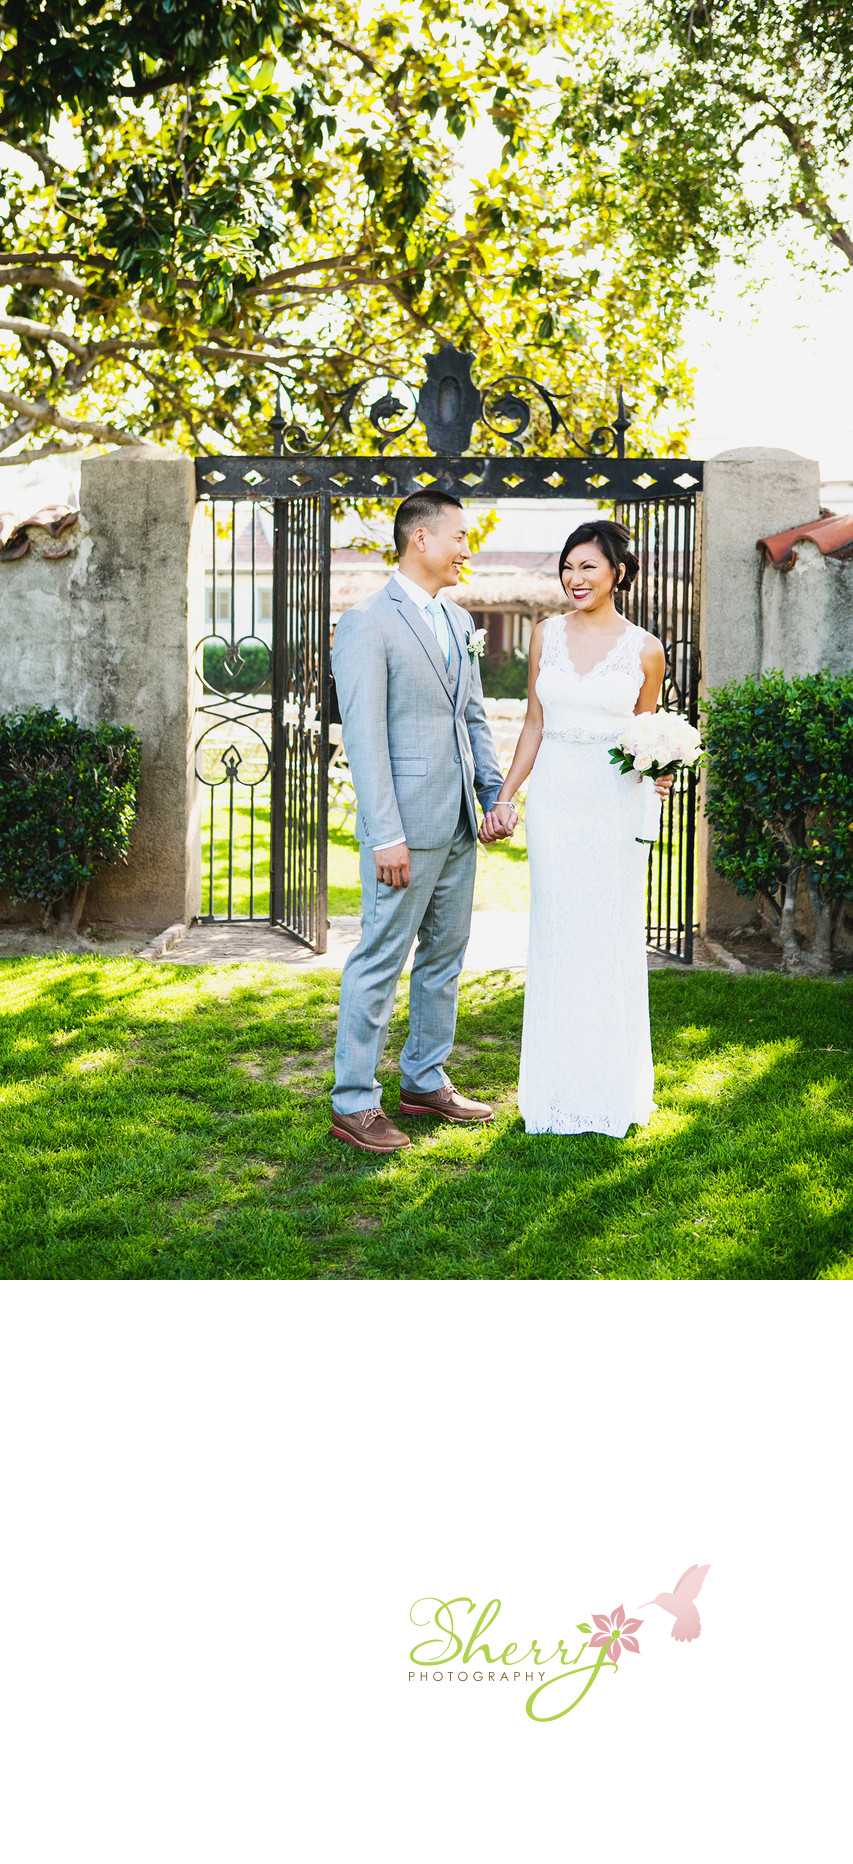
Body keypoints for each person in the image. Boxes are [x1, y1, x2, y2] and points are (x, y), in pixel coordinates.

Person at [330, 489, 517, 1154]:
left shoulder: (457, 618)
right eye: (460, 537)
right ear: (421, 540)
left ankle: (423, 1081)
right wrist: (384, 833)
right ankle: (354, 1103)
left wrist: (493, 793)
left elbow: (471, 717)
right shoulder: (365, 624)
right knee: (380, 960)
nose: (468, 549)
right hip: (402, 832)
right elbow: (366, 738)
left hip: (461, 824)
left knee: (443, 960)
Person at [480, 519, 672, 1137]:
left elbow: (647, 734)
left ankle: (611, 1090)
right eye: (568, 566)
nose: (575, 577)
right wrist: (506, 796)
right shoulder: (546, 635)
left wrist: (660, 772)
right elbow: (535, 724)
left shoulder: (646, 648)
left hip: (612, 803)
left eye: (588, 566)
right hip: (558, 801)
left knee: (610, 934)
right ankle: (555, 1090)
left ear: (618, 572)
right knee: (559, 933)